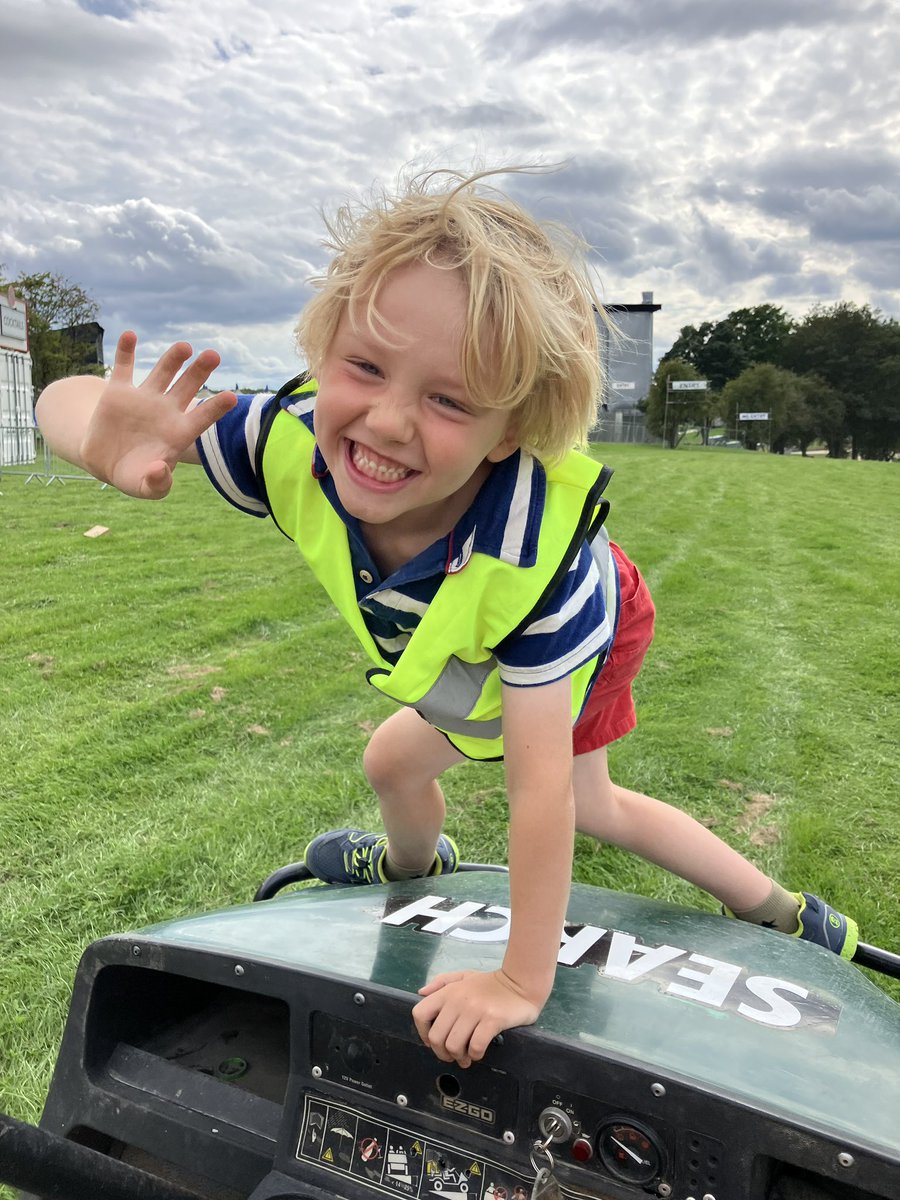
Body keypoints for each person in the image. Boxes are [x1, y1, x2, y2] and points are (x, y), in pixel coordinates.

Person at [37, 168, 857, 1072]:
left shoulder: (532, 565)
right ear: (322, 351)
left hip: (585, 622)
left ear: (509, 431)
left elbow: (535, 794)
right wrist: (92, 435)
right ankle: (412, 876)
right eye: (365, 367)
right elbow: (62, 401)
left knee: (590, 800)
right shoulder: (289, 437)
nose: (387, 421)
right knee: (390, 760)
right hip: (459, 644)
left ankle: (782, 915)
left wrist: (517, 982)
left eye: (449, 399)